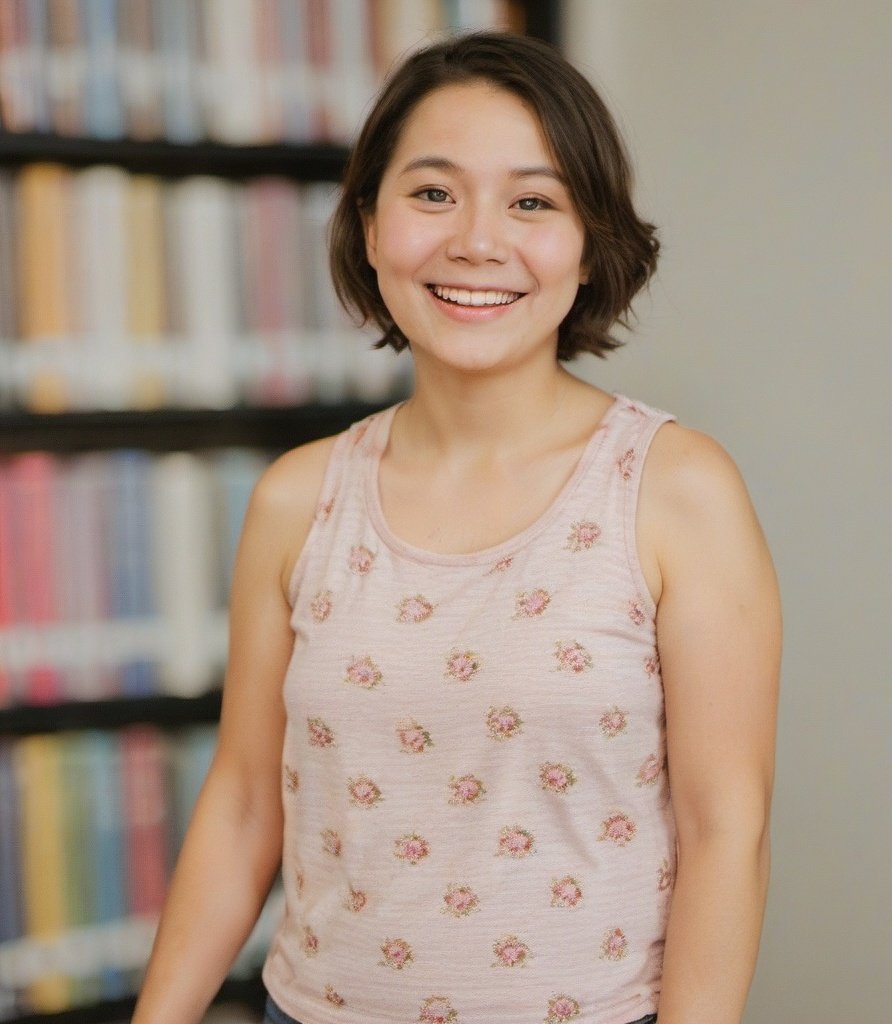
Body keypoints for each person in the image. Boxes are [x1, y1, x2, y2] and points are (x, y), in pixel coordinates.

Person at [131, 31, 781, 1024]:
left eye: (532, 200)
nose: (477, 240)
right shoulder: (296, 498)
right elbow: (247, 800)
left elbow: (722, 825)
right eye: (432, 193)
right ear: (367, 222)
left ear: (588, 239)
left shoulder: (676, 490)